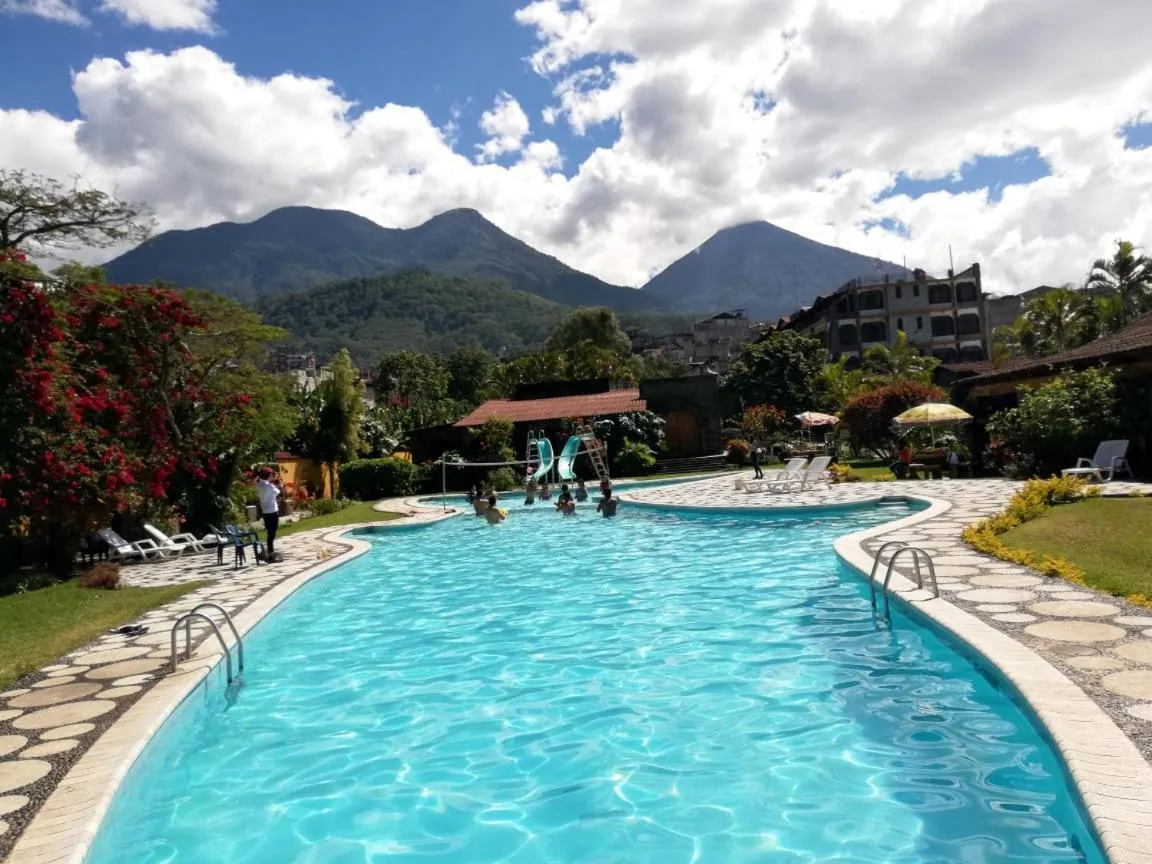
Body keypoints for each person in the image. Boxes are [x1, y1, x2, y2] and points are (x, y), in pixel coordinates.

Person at [256, 467, 282, 561]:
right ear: (268, 476)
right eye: (271, 475)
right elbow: (278, 492)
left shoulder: (259, 484)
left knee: (270, 532)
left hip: (265, 512)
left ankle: (269, 550)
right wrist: (274, 482)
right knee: (272, 532)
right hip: (272, 511)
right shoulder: (268, 486)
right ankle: (270, 551)